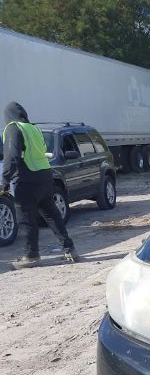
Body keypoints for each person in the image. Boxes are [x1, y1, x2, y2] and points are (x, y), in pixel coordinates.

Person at [1, 101, 79, 269]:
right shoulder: (33, 128)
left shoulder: (13, 128)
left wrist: (5, 180)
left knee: (27, 219)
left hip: (26, 179)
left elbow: (12, 155)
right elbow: (41, 149)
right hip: (45, 176)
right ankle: (70, 249)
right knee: (52, 215)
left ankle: (31, 256)